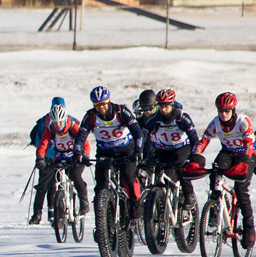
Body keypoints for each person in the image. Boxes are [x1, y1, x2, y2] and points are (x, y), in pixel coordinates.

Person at [192, 92, 255, 247]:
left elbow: (248, 141)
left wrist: (246, 159)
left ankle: (249, 227)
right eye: (220, 111)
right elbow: (204, 140)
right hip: (227, 153)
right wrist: (196, 155)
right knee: (215, 173)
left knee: (241, 190)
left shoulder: (243, 121)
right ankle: (214, 208)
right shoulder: (215, 122)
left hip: (247, 154)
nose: (223, 114)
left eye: (227, 111)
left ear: (233, 110)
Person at [81, 85, 144, 217]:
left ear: (108, 101)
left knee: (128, 176)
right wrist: (78, 153)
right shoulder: (90, 116)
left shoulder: (121, 112)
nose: (100, 107)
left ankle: (135, 204)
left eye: (103, 104)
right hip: (105, 152)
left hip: (126, 150)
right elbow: (81, 135)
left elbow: (137, 132)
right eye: (97, 105)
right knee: (100, 183)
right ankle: (102, 218)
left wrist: (138, 149)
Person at [139, 89, 198, 227]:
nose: (163, 109)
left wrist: (195, 155)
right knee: (162, 176)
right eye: (160, 106)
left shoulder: (182, 117)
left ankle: (188, 195)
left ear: (172, 104)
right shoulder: (154, 119)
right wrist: (145, 157)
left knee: (178, 163)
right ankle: (163, 206)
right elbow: (146, 139)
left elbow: (194, 138)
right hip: (164, 149)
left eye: (166, 106)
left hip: (182, 148)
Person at [32, 103, 91, 224]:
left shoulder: (73, 127)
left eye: (60, 122)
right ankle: (57, 211)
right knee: (55, 181)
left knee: (75, 176)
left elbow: (84, 142)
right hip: (59, 158)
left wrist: (84, 155)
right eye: (55, 122)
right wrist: (40, 157)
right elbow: (43, 143)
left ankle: (84, 202)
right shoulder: (50, 129)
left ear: (64, 120)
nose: (57, 125)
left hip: (75, 157)